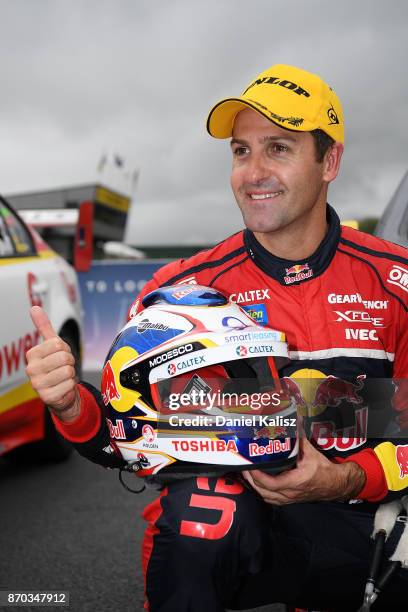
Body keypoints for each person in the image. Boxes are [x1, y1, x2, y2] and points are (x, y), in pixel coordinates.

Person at [26, 64, 408, 610]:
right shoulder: (180, 291)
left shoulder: (398, 282)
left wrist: (346, 478)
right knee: (203, 512)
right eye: (240, 151)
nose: (253, 172)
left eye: (278, 148)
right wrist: (69, 405)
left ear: (330, 161)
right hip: (241, 525)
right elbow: (122, 437)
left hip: (362, 516)